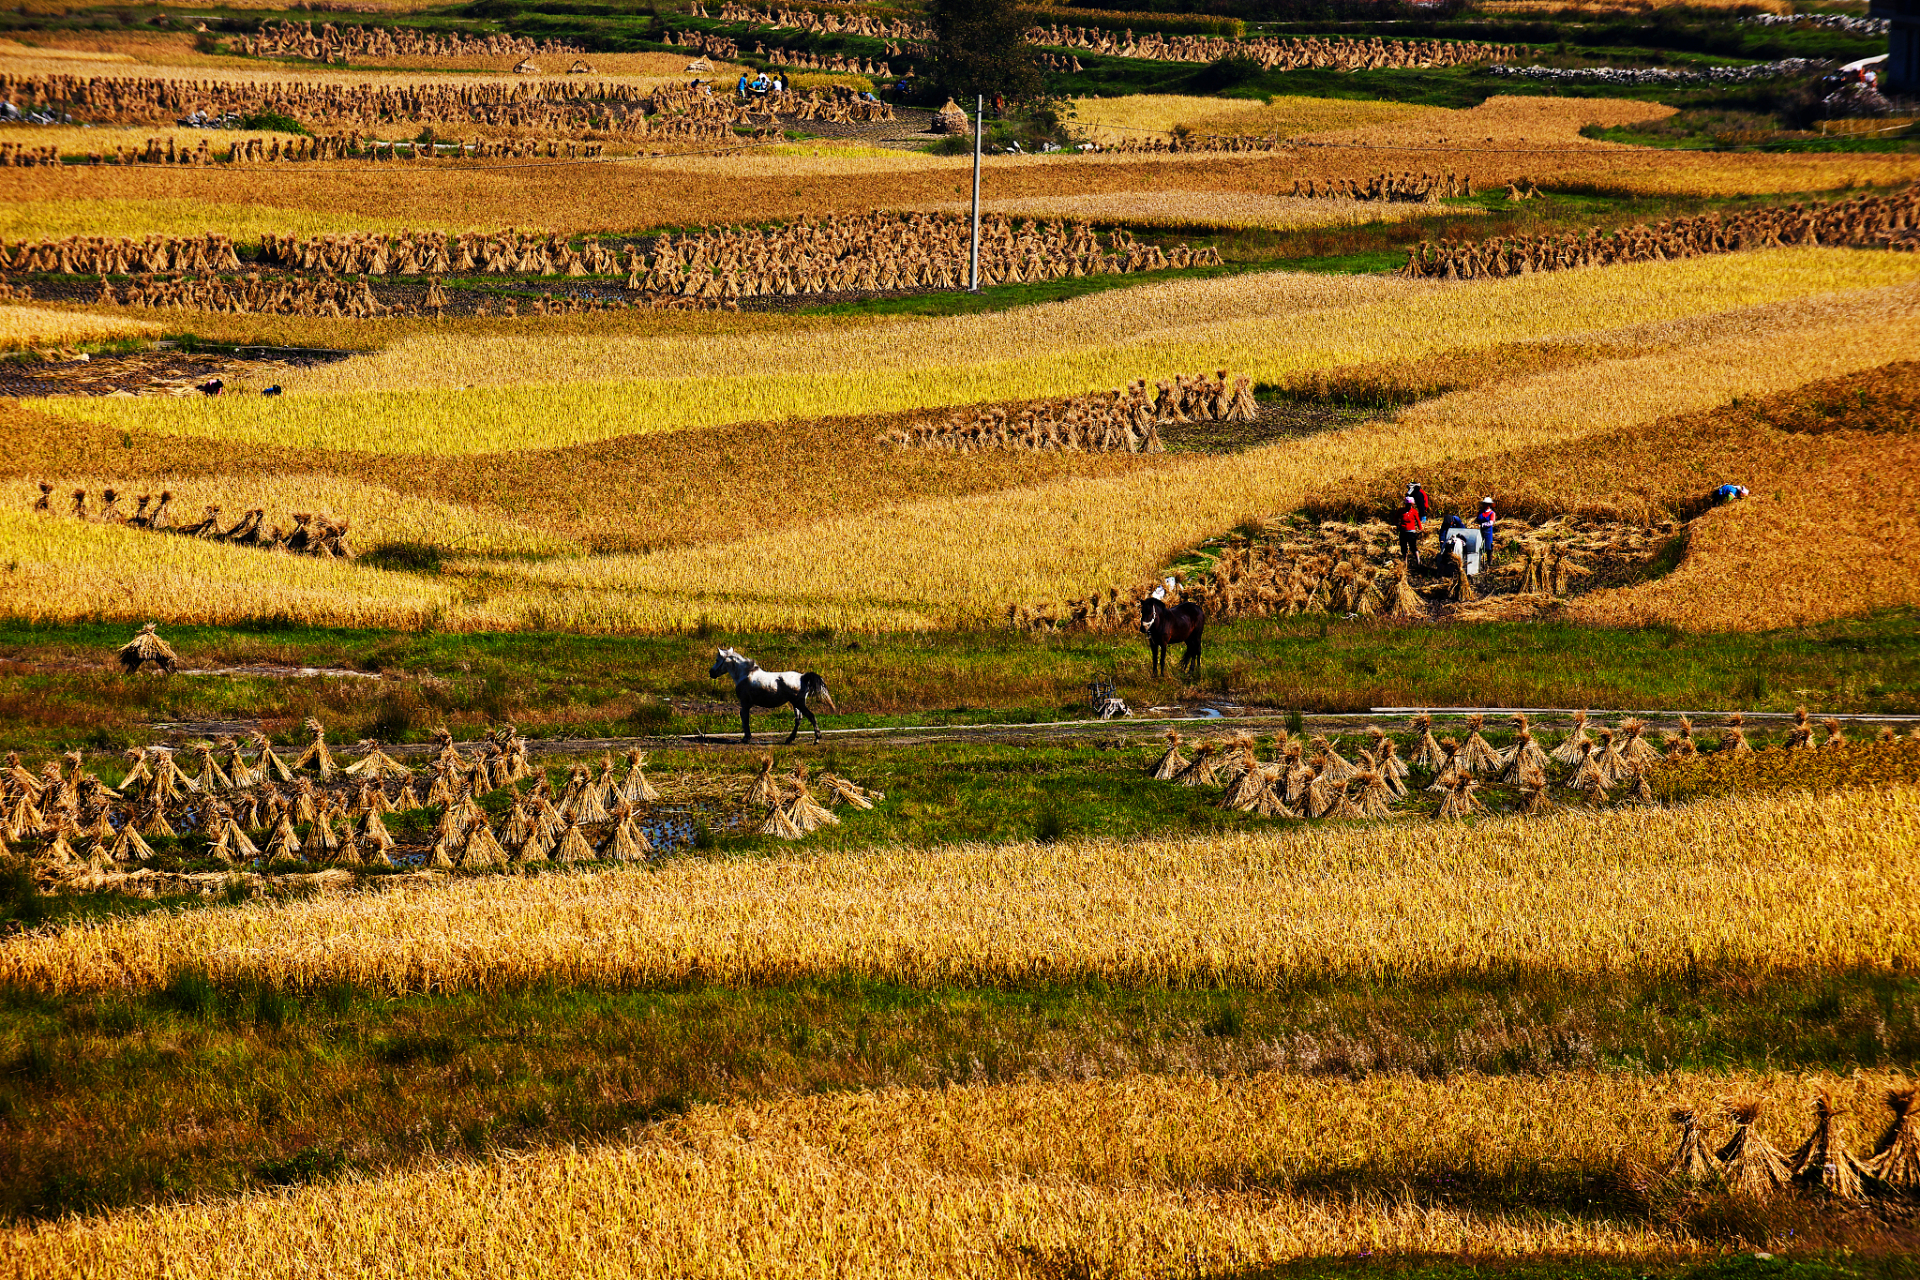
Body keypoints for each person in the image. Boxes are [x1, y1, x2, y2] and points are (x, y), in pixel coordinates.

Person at [1397, 495, 1423, 566]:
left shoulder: (1414, 512)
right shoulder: (1401, 511)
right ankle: (1405, 561)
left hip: (1411, 532)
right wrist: (1397, 524)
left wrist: (1420, 529)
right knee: (1404, 546)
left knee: (1413, 546)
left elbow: (1418, 521)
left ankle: (1418, 561)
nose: (1410, 506)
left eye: (1411, 505)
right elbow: (1396, 517)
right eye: (1408, 505)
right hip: (1403, 531)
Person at [1474, 496, 1496, 560]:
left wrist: (1482, 525)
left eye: (1487, 504)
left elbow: (1491, 523)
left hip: (1488, 531)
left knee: (1488, 546)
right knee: (1479, 545)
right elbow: (1477, 519)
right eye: (1484, 504)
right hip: (1479, 531)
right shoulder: (1480, 512)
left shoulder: (1492, 513)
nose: (1485, 505)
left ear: (1489, 505)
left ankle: (1489, 561)